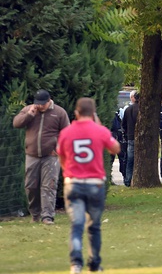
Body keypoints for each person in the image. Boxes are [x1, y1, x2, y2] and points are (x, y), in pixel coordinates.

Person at [56, 97, 120, 274]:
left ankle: (76, 263)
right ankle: (95, 263)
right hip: (94, 183)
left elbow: (60, 155)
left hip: (73, 182)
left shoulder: (67, 132)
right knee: (94, 226)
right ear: (93, 114)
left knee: (77, 225)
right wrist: (99, 125)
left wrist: (66, 172)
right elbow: (115, 148)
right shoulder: (99, 130)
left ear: (76, 113)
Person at [13, 89, 70, 225]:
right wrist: (28, 115)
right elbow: (16, 123)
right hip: (32, 155)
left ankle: (47, 216)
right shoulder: (29, 110)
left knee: (48, 186)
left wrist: (58, 149)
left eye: (42, 104)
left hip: (51, 156)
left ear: (49, 101)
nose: (39, 106)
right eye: (37, 103)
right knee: (30, 186)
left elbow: (67, 133)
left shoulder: (59, 112)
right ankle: (35, 214)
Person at [121, 91, 139, 187]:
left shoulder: (128, 109)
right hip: (140, 137)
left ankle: (128, 180)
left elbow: (123, 124)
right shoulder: (142, 109)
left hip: (130, 137)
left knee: (130, 160)